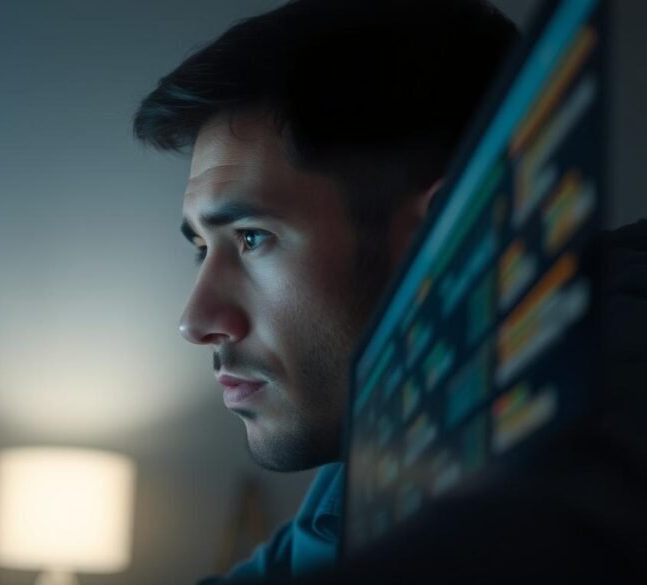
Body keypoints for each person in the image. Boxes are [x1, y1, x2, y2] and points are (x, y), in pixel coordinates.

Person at [132, 0, 518, 581]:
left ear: (448, 238)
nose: (196, 319)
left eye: (253, 237)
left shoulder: (554, 503)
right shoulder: (386, 450)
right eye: (201, 247)